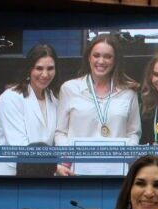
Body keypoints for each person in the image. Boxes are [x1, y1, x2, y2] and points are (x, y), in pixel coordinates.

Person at [55, 34, 141, 176]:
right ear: (89, 57)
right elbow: (60, 133)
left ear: (115, 61)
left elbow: (133, 132)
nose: (101, 61)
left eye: (108, 56)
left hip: (116, 171)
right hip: (76, 170)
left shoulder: (128, 93)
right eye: (96, 55)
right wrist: (70, 155)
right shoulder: (69, 88)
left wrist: (126, 155)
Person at [0, 44, 59, 176]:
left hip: (39, 174)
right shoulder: (10, 98)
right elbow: (19, 146)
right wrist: (55, 167)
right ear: (29, 69)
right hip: (6, 174)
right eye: (39, 68)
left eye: (50, 68)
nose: (45, 74)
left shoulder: (54, 98)